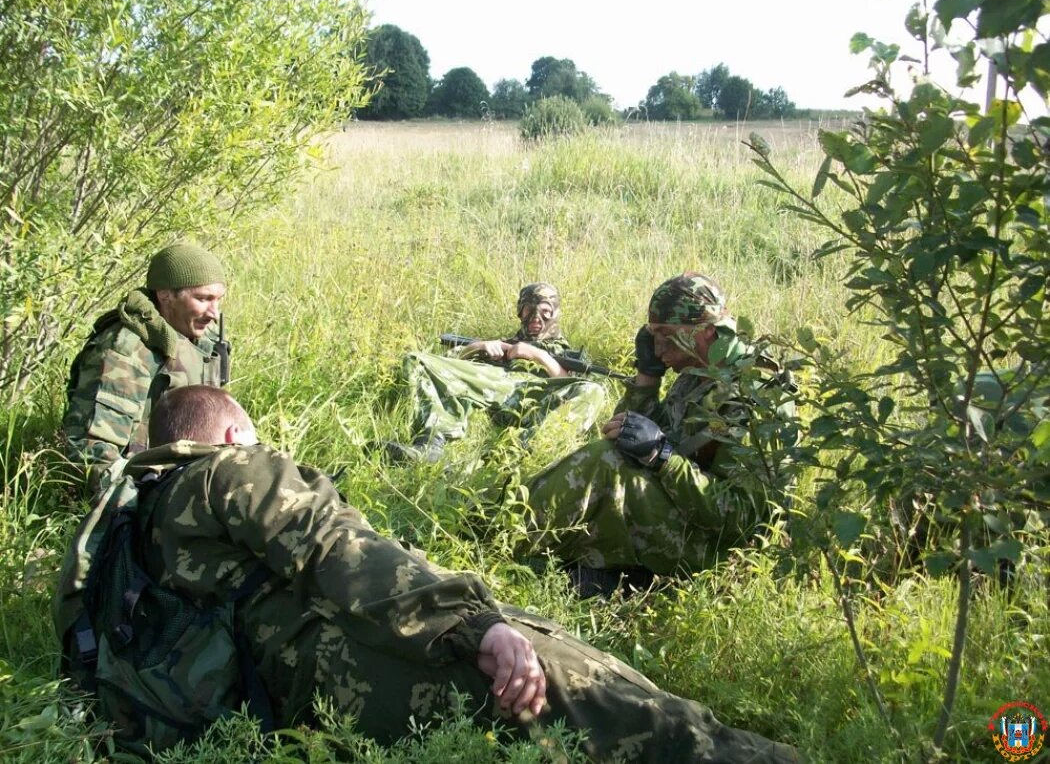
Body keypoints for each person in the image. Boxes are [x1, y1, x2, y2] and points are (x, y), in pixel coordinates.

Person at [54, 385, 798, 762]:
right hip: (345, 662)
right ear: (226, 434)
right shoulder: (228, 471)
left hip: (271, 693)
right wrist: (475, 622)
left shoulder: (134, 512)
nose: (262, 443)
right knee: (589, 688)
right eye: (253, 435)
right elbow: (336, 544)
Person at [518, 273, 799, 597]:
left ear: (707, 332)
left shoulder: (758, 396)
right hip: (687, 513)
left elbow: (742, 518)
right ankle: (521, 537)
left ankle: (504, 538)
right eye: (653, 336)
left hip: (724, 551)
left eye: (666, 336)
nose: (658, 347)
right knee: (612, 455)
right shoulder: (697, 374)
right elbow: (630, 432)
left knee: (605, 463)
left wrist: (664, 457)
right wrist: (647, 379)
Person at [62, 243, 230, 485]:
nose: (214, 312)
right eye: (203, 299)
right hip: (145, 483)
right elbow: (91, 454)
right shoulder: (125, 352)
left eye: (218, 299)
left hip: (194, 471)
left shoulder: (205, 338)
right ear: (166, 296)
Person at [385, 283, 606, 463]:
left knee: (595, 390)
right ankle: (430, 442)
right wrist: (481, 346)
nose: (536, 319)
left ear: (555, 314)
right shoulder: (504, 344)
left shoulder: (570, 355)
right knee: (416, 360)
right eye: (529, 310)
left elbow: (578, 389)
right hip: (494, 384)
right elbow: (449, 364)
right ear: (520, 312)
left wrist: (539, 356)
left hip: (537, 396)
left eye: (546, 312)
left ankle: (519, 453)